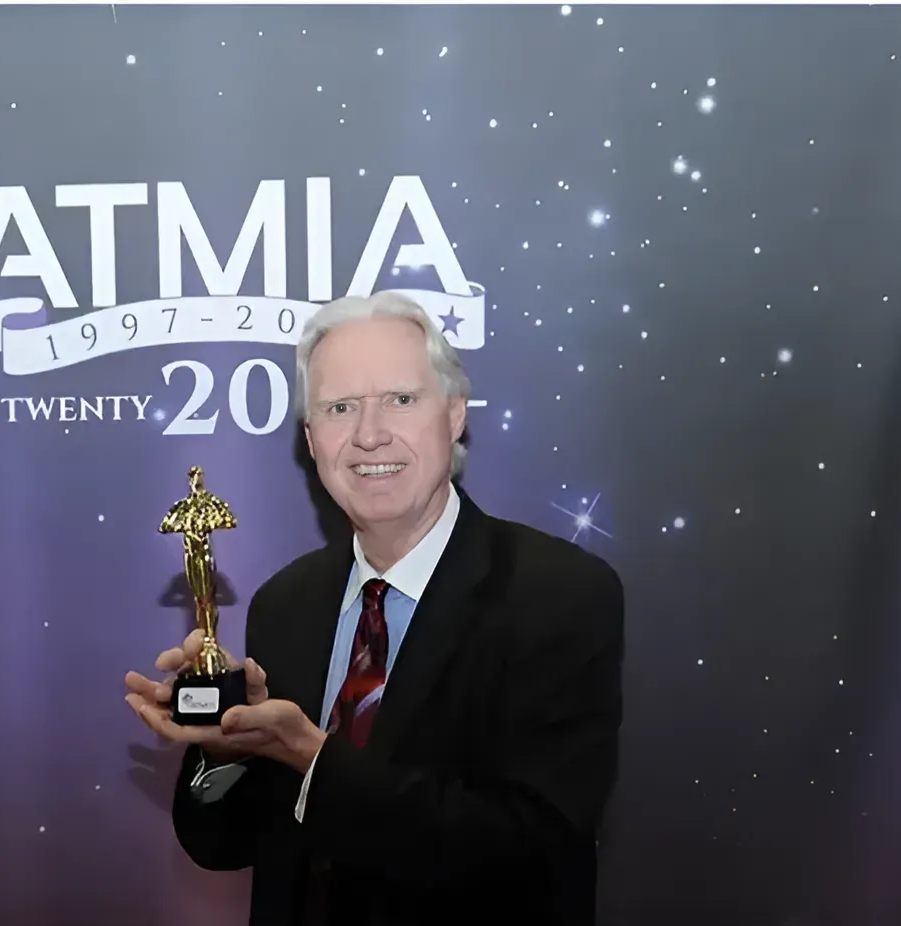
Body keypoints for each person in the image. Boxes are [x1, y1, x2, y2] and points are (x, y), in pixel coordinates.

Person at [125, 291, 625, 926]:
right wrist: (229, 748)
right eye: (340, 408)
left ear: (454, 414)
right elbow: (223, 846)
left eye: (400, 399)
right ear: (311, 438)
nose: (369, 434)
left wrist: (314, 759)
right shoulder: (287, 602)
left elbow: (532, 849)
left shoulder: (560, 594)